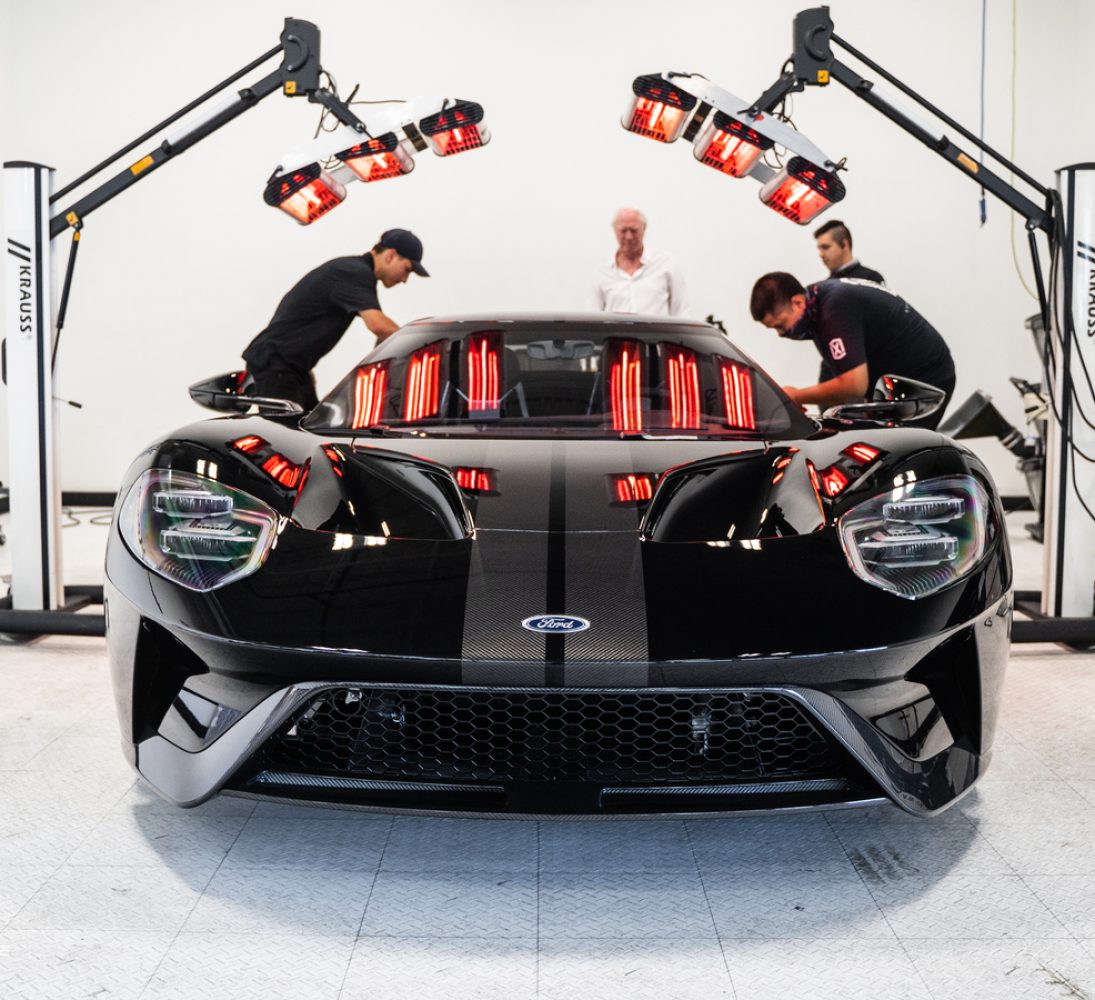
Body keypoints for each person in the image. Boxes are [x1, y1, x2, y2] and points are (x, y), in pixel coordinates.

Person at [242, 229, 428, 410]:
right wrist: (421, 348)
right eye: (407, 270)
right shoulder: (354, 273)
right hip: (275, 365)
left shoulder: (353, 272)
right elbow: (379, 326)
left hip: (292, 368)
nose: (405, 279)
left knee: (308, 431)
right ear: (391, 255)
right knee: (285, 437)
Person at [749, 272, 956, 429]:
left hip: (925, 380)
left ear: (797, 303)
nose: (780, 334)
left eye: (781, 325)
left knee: (897, 456)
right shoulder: (817, 305)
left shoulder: (835, 307)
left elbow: (853, 384)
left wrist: (796, 396)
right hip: (892, 383)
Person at [592, 207, 687, 316]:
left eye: (634, 230)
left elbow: (681, 311)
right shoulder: (601, 271)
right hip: (616, 333)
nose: (629, 237)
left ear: (644, 229)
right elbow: (593, 317)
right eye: (623, 231)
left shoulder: (667, 263)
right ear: (615, 231)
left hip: (656, 333)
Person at [814, 219, 884, 284]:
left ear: (844, 245)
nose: (821, 255)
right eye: (819, 249)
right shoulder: (823, 288)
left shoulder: (870, 279)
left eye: (826, 247)